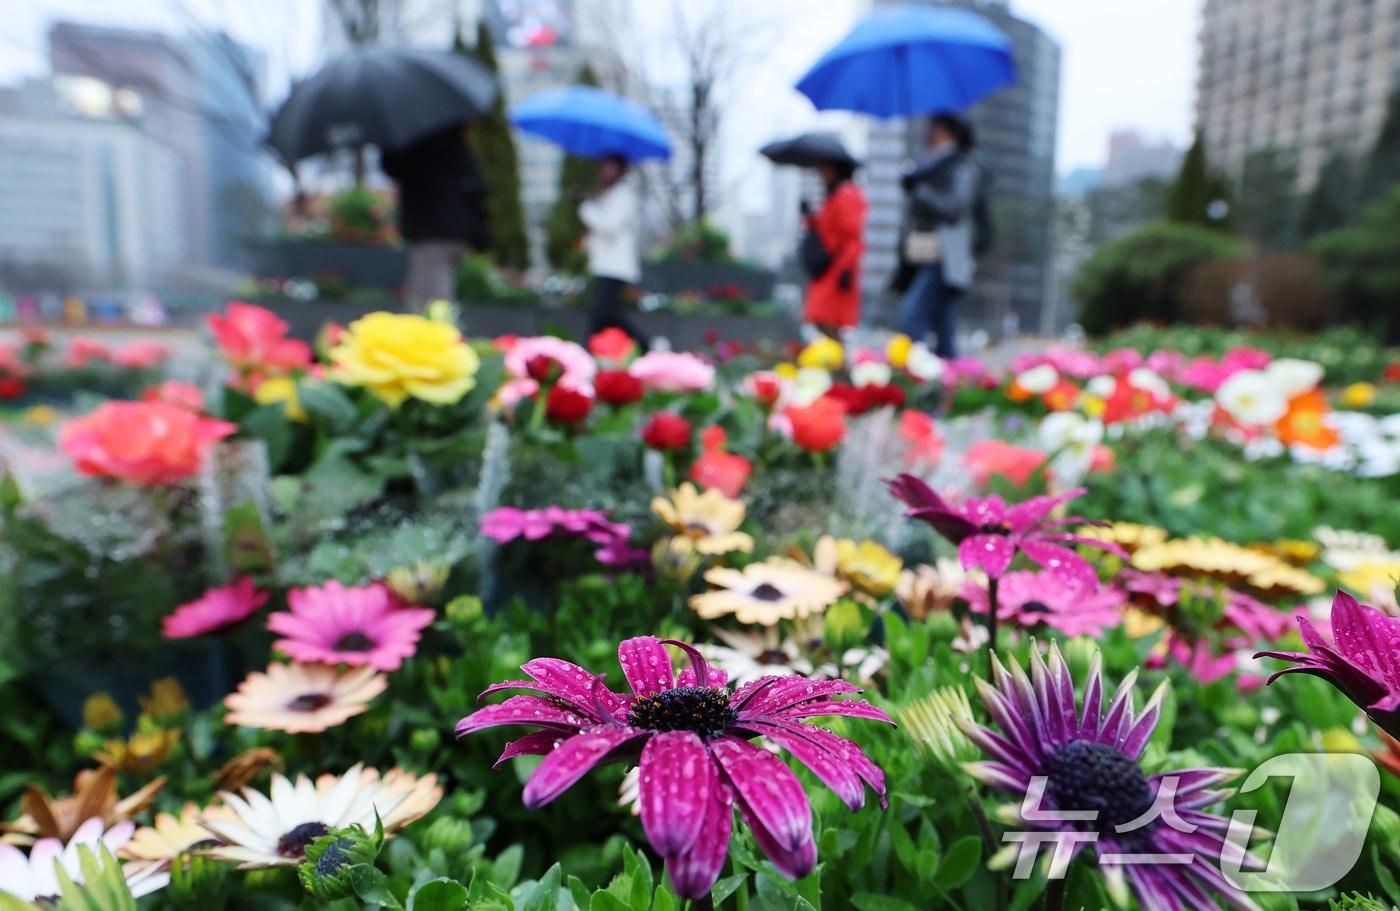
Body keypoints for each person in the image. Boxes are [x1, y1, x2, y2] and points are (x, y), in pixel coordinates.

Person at [895, 113, 981, 358]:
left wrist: (920, 191)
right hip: (923, 253)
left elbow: (955, 207)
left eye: (934, 128)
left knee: (912, 317)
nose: (928, 133)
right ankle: (951, 382)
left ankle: (911, 375)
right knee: (944, 331)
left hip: (943, 256)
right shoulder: (927, 167)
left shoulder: (961, 166)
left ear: (948, 132)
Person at [381, 122, 488, 311]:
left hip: (433, 233)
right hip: (455, 232)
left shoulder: (424, 143)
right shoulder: (456, 143)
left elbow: (393, 166)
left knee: (430, 305)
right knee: (437, 299)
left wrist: (388, 140)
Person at [580, 153, 646, 347]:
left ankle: (645, 345)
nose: (605, 170)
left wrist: (585, 207)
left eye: (611, 166)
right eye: (604, 165)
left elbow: (610, 226)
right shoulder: (608, 193)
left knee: (606, 314)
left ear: (620, 169)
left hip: (615, 267)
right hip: (603, 264)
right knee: (603, 316)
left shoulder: (624, 194)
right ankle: (594, 353)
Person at [803, 159, 868, 337]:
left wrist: (846, 270)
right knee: (819, 316)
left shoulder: (846, 194)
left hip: (838, 268)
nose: (820, 174)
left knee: (828, 319)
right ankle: (836, 361)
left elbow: (852, 237)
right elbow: (826, 231)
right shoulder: (834, 195)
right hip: (826, 267)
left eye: (824, 168)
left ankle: (839, 362)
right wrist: (809, 216)